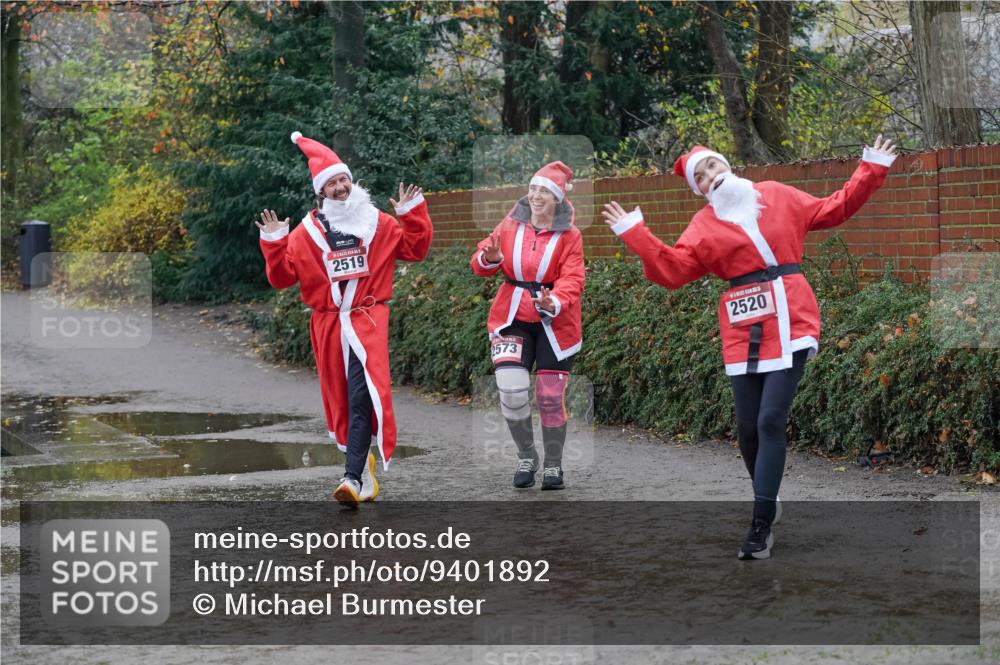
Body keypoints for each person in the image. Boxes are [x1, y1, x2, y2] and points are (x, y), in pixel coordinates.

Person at [602, 136, 897, 558]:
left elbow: (834, 208)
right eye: (700, 178)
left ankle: (759, 525)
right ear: (698, 190)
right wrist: (635, 234)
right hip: (742, 330)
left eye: (712, 167)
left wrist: (871, 168)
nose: (709, 177)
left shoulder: (776, 194)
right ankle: (768, 495)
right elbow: (672, 271)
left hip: (791, 317)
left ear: (727, 164)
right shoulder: (702, 226)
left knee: (771, 420)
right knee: (746, 430)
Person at [256, 131, 433, 506]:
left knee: (361, 393)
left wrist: (412, 214)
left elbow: (415, 250)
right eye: (332, 183)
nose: (340, 187)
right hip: (329, 325)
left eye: (344, 180)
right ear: (321, 191)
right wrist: (274, 243)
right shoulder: (306, 235)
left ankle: (351, 477)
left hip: (367, 320)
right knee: (342, 399)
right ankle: (363, 472)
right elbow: (282, 277)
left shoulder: (379, 224)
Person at [471, 161, 586, 490]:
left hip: (555, 323)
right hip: (512, 318)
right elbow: (480, 260)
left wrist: (554, 300)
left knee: (550, 397)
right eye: (533, 189)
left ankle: (553, 465)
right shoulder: (509, 225)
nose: (536, 196)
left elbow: (574, 278)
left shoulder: (571, 236)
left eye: (544, 192)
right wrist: (490, 258)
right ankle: (527, 455)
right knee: (510, 389)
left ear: (558, 200)